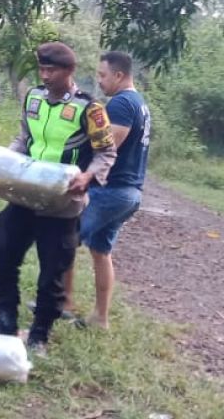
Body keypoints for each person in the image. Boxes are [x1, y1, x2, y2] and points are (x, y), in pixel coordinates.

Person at [0, 41, 116, 353]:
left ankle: (39, 337)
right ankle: (5, 322)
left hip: (62, 203)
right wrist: (5, 159)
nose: (46, 76)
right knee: (1, 253)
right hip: (25, 195)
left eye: (52, 70)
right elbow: (25, 138)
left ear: (69, 71)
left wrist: (88, 177)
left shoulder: (90, 109)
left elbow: (106, 152)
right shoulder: (33, 97)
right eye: (42, 69)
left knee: (52, 273)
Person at [64, 50, 151, 330]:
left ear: (119, 75)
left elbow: (106, 147)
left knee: (64, 237)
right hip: (128, 194)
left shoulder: (122, 103)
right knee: (100, 250)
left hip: (111, 191)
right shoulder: (139, 104)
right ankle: (100, 318)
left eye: (103, 75)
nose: (99, 81)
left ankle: (62, 303)